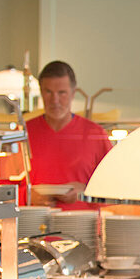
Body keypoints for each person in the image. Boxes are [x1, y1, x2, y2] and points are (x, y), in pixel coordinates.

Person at [23, 59, 113, 209]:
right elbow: (2, 190)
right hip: (32, 228)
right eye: (48, 92)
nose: (55, 100)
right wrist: (27, 195)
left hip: (83, 229)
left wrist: (85, 192)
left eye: (62, 93)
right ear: (41, 92)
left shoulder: (95, 134)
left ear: (73, 93)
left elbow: (115, 190)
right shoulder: (22, 134)